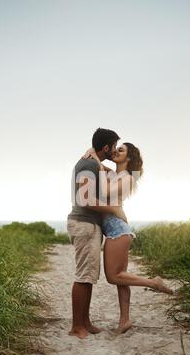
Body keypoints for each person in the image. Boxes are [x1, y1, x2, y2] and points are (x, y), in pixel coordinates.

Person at [84, 142, 173, 334]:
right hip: (117, 230)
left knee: (113, 276)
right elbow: (102, 168)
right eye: (116, 149)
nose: (116, 151)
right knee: (122, 278)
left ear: (129, 157)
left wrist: (98, 164)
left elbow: (106, 192)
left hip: (117, 231)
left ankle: (153, 283)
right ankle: (124, 320)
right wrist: (93, 154)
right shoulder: (117, 175)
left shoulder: (129, 178)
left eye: (121, 150)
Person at [67, 128, 127, 339]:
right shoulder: (88, 164)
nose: (114, 150)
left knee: (89, 276)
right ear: (106, 147)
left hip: (90, 225)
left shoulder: (93, 164)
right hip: (84, 224)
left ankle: (86, 322)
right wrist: (113, 210)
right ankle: (76, 326)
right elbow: (85, 200)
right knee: (84, 276)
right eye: (114, 146)